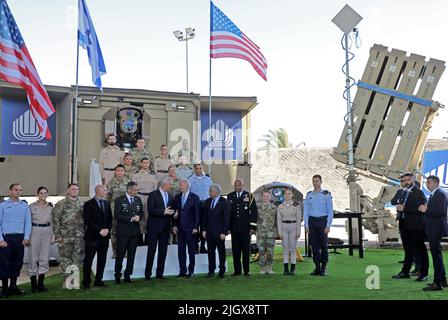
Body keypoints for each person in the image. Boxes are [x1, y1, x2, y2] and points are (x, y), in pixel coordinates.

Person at [392, 172, 429, 282]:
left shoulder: (418, 192)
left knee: (421, 250)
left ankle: (424, 273)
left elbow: (421, 210)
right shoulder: (402, 192)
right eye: (404, 180)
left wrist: (404, 209)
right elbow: (396, 203)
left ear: (413, 180)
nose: (406, 182)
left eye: (408, 180)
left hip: (415, 225)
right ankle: (405, 272)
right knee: (408, 250)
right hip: (403, 224)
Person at [0, 183, 31, 298]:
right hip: (6, 238)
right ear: (10, 191)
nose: (18, 192)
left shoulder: (24, 206)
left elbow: (28, 223)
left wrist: (26, 237)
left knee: (17, 263)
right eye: (16, 190)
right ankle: (4, 288)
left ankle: (13, 286)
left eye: (20, 190)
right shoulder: (2, 205)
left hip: (20, 238)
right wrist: (0, 239)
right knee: (4, 263)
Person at [52, 183, 85, 288]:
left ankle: (74, 282)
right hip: (65, 236)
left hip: (79, 236)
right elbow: (56, 221)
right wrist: (58, 236)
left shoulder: (82, 204)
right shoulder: (61, 204)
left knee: (77, 259)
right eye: (73, 189)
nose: (75, 191)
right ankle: (66, 282)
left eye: (77, 189)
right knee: (66, 260)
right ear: (68, 191)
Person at [419, 176, 448, 291]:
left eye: (429, 182)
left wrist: (425, 209)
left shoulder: (440, 194)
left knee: (436, 256)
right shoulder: (436, 193)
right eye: (426, 182)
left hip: (436, 228)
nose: (427, 184)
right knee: (437, 255)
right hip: (433, 228)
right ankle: (443, 280)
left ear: (436, 183)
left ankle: (437, 283)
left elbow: (440, 211)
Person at [82, 185, 113, 289]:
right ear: (98, 191)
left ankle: (99, 280)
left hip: (104, 237)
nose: (106, 191)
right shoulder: (88, 204)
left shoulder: (106, 203)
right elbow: (88, 220)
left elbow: (109, 219)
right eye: (104, 190)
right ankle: (86, 282)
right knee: (88, 261)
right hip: (92, 237)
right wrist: (99, 230)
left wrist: (107, 229)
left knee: (102, 259)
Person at [145, 177, 174, 280]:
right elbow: (151, 210)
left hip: (165, 228)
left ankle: (159, 274)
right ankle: (148, 274)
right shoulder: (153, 194)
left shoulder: (170, 196)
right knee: (151, 251)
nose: (171, 186)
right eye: (170, 185)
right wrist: (163, 212)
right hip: (153, 228)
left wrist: (174, 214)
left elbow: (171, 210)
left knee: (163, 251)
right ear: (164, 184)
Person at [114, 182, 144, 284]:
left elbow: (141, 212)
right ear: (129, 190)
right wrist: (131, 218)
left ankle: (128, 275)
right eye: (135, 190)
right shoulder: (119, 200)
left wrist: (139, 217)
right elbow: (117, 215)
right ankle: (117, 275)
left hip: (134, 232)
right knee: (120, 255)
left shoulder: (137, 199)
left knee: (132, 255)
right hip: (123, 232)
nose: (137, 192)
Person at [304, 175, 334, 276]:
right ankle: (317, 267)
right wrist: (306, 225)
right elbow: (306, 211)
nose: (315, 183)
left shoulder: (326, 194)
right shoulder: (309, 195)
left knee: (324, 245)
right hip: (312, 221)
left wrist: (328, 225)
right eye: (314, 181)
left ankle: (324, 267)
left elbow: (330, 211)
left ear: (321, 182)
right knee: (314, 246)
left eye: (317, 181)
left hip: (322, 221)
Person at [227, 178, 258, 276]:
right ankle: (237, 271)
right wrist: (228, 227)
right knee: (235, 251)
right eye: (235, 185)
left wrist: (252, 227)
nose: (237, 187)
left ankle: (246, 271)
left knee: (245, 251)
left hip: (246, 230)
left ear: (242, 186)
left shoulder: (249, 196)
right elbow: (228, 213)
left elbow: (253, 212)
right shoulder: (230, 196)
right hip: (234, 229)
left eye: (239, 185)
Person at [172, 179, 201, 277]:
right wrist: (175, 225)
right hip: (180, 229)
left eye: (182, 186)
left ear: (187, 186)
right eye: (180, 185)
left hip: (191, 229)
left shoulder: (195, 197)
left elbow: (197, 214)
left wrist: (196, 227)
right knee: (181, 251)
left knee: (191, 251)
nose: (180, 187)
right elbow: (176, 212)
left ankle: (191, 270)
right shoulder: (177, 197)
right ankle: (182, 271)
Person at [28, 186, 53, 293]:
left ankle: (41, 284)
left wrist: (53, 235)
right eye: (41, 193)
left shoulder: (51, 207)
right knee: (33, 257)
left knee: (44, 257)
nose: (43, 195)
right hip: (34, 231)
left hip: (47, 231)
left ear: (47, 194)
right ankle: (33, 284)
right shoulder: (31, 207)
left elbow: (53, 222)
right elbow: (27, 222)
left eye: (45, 193)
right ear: (37, 194)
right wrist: (27, 236)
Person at [202, 184, 230, 278]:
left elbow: (227, 219)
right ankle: (211, 270)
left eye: (211, 191)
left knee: (221, 252)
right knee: (210, 252)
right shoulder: (208, 201)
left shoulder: (224, 202)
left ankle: (222, 270)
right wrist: (204, 230)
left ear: (217, 191)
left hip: (220, 233)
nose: (209, 192)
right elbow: (204, 217)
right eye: (209, 191)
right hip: (209, 232)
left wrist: (224, 232)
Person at [107, 164, 131, 257]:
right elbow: (108, 197)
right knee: (115, 231)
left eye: (121, 170)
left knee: (126, 230)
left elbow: (132, 195)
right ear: (115, 172)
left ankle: (125, 252)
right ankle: (115, 252)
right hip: (115, 210)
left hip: (127, 210)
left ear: (124, 172)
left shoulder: (128, 182)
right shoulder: (110, 183)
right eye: (118, 170)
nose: (120, 172)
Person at [132, 158, 158, 245]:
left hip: (150, 197)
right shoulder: (136, 175)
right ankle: (139, 238)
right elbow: (133, 187)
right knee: (139, 216)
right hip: (139, 196)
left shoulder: (153, 175)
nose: (146, 164)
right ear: (141, 163)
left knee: (149, 217)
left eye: (147, 162)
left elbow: (155, 188)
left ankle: (147, 238)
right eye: (144, 163)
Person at [189, 163, 213, 254]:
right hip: (195, 205)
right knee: (195, 225)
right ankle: (195, 246)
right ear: (194, 169)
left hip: (206, 204)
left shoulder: (208, 179)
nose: (199, 170)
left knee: (204, 226)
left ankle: (203, 246)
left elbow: (211, 191)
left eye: (200, 168)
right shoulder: (190, 179)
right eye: (197, 168)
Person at [277, 188, 302, 276]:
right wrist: (279, 232)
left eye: (289, 194)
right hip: (284, 227)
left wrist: (298, 231)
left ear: (292, 195)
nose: (287, 195)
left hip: (293, 227)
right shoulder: (280, 207)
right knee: (285, 249)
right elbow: (279, 221)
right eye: (286, 194)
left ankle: (293, 269)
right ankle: (285, 269)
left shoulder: (296, 206)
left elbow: (299, 219)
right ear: (283, 195)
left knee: (293, 248)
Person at [256, 191, 278, 275]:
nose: (266, 198)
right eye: (264, 196)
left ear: (270, 197)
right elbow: (256, 220)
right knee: (261, 251)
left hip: (271, 233)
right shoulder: (258, 207)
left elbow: (276, 221)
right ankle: (262, 268)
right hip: (261, 233)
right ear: (262, 197)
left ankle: (269, 267)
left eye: (267, 196)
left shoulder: (274, 207)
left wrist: (277, 232)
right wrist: (255, 231)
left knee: (270, 252)